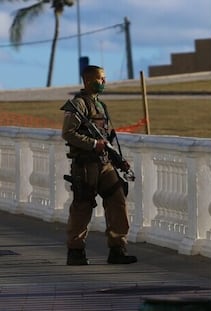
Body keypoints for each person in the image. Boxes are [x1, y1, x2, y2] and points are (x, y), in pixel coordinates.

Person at [60, 65, 137, 265]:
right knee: (82, 206)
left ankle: (117, 249)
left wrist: (118, 159)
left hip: (104, 163)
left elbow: (107, 138)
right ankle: (75, 251)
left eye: (104, 78)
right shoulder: (78, 104)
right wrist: (93, 144)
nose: (103, 82)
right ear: (87, 81)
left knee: (118, 200)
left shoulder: (101, 106)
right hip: (85, 165)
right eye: (99, 79)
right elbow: (68, 133)